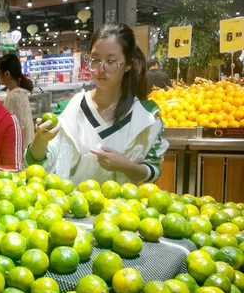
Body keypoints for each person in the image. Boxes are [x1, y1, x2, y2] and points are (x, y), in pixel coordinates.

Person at [26, 23, 169, 185]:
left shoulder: (145, 116)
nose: (101, 69)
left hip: (124, 209)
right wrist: (41, 139)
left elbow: (154, 170)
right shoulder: (69, 110)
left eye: (110, 61)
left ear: (129, 64)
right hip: (73, 208)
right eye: (95, 60)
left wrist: (125, 166)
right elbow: (37, 163)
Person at [0, 54, 35, 146]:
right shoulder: (17, 93)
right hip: (25, 146)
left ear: (7, 74)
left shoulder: (14, 96)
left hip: (20, 149)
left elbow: (14, 127)